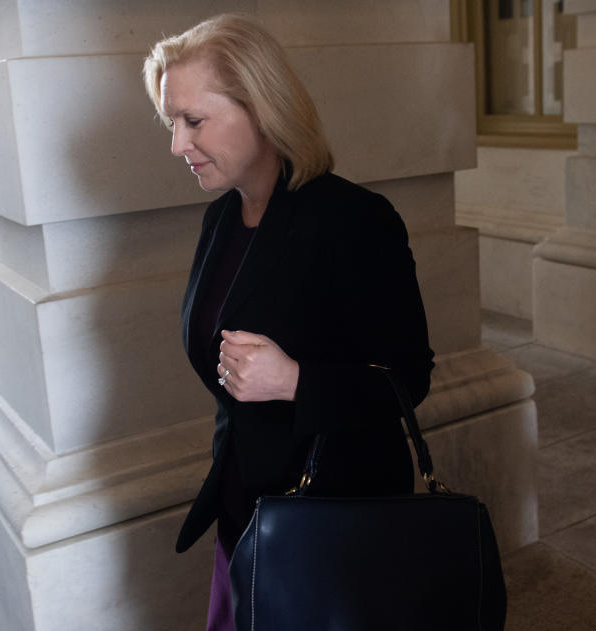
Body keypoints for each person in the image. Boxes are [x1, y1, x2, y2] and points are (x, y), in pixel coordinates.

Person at [143, 14, 434, 630]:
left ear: (261, 107)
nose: (177, 144)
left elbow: (408, 377)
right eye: (172, 122)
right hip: (245, 509)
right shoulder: (220, 219)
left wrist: (296, 381)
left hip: (334, 524)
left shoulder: (354, 220)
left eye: (194, 121)